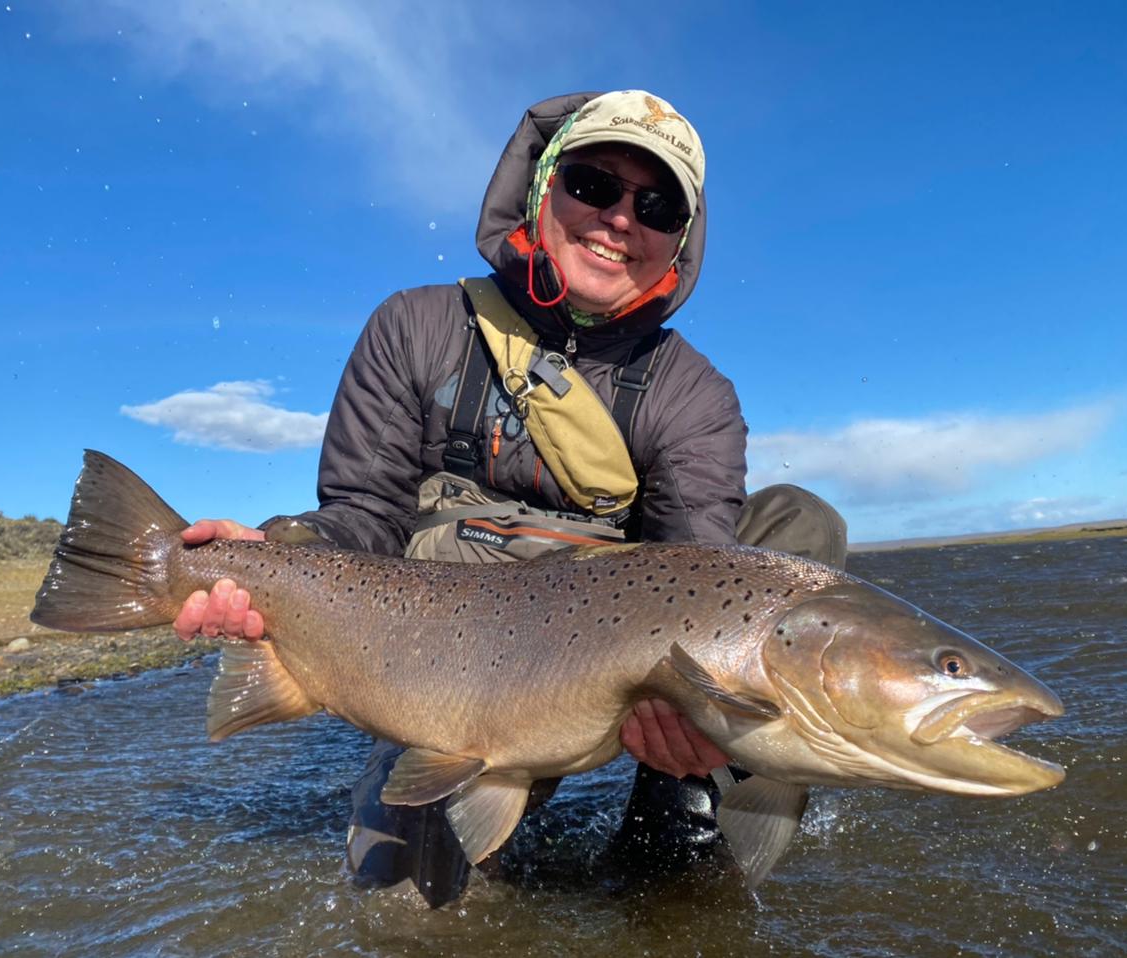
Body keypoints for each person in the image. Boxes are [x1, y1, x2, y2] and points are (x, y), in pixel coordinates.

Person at [172, 90, 847, 906]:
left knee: (797, 528)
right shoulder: (417, 327)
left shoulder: (693, 394)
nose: (619, 219)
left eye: (657, 204)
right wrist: (275, 560)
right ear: (540, 188)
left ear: (681, 239)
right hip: (450, 665)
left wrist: (703, 714)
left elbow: (700, 570)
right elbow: (362, 520)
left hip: (599, 673)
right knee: (406, 907)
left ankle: (679, 807)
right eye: (593, 185)